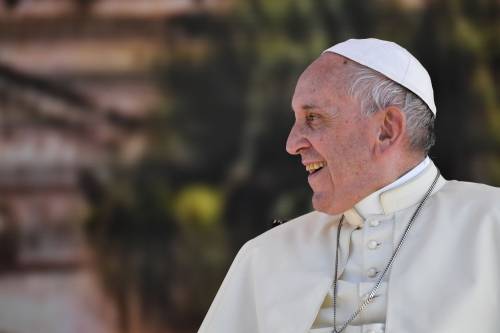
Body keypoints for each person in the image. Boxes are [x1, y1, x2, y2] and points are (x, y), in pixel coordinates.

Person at [198, 38, 500, 333]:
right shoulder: (265, 256)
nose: (292, 144)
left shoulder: (492, 223)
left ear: (386, 130)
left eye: (313, 118)